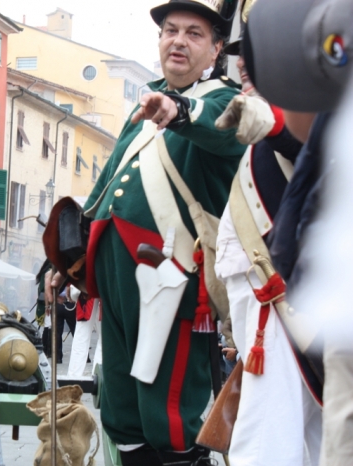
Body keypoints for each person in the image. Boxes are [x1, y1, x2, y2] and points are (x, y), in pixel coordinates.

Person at [50, 1, 245, 463]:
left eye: (194, 34)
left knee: (168, 401)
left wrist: (175, 110)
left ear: (217, 49)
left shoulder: (222, 100)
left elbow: (216, 126)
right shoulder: (147, 103)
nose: (178, 40)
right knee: (119, 397)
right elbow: (103, 190)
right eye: (170, 31)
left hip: (171, 276)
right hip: (113, 273)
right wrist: (65, 263)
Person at [213, 5, 322, 463]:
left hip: (286, 300)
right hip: (274, 299)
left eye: (260, 51)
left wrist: (275, 125)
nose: (244, 63)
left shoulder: (304, 113)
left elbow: (315, 147)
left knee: (268, 438)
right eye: (244, 50)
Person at [67, 286, 102, 377]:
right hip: (101, 286)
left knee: (81, 338)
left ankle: (73, 378)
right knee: (104, 341)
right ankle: (98, 379)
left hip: (86, 286)